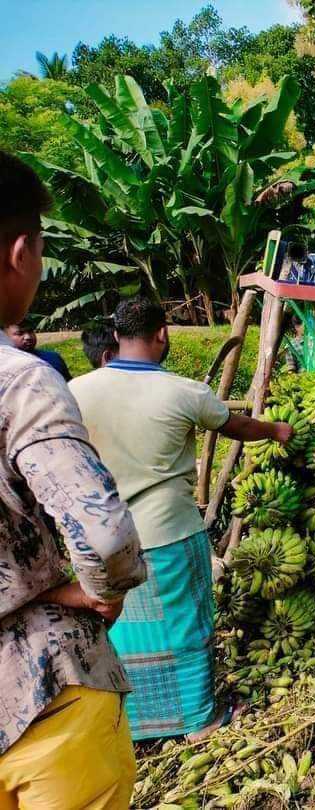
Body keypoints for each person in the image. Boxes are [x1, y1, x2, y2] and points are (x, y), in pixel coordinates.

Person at [70, 297, 294, 741]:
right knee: (185, 626)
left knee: (123, 630)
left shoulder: (76, 391)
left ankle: (131, 723)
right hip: (168, 532)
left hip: (100, 536)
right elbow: (237, 428)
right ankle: (198, 720)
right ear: (162, 335)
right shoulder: (183, 391)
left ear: (115, 337)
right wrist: (276, 430)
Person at [0, 150, 146, 808]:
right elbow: (102, 534)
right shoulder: (21, 382)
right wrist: (95, 591)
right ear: (21, 251)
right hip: (45, 697)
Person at [2, 318, 71, 380]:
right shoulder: (3, 364)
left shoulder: (53, 357)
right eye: (20, 333)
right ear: (5, 336)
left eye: (30, 331)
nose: (28, 337)